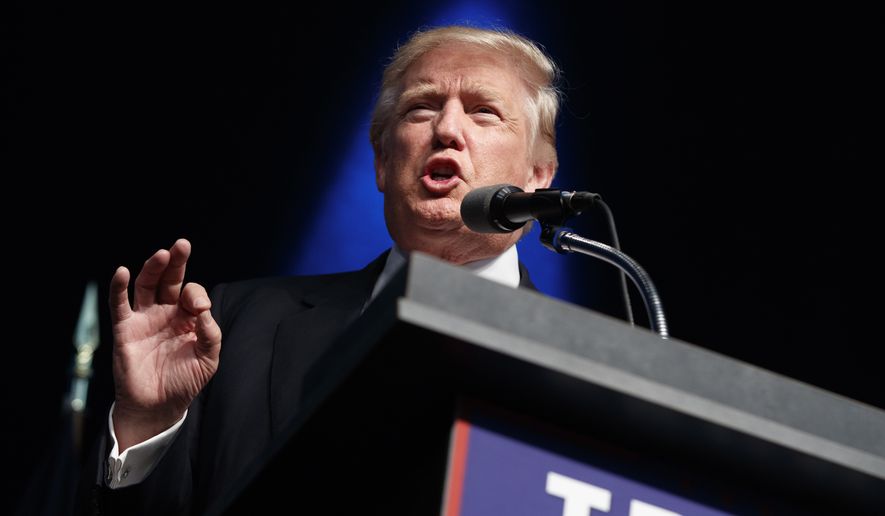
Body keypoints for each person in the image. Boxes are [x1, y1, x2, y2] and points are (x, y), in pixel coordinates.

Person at [76, 25, 560, 515]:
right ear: (382, 163)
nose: (447, 130)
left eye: (484, 111)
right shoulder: (234, 324)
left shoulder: (571, 369)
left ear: (537, 178)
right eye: (421, 108)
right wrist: (148, 425)